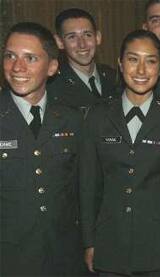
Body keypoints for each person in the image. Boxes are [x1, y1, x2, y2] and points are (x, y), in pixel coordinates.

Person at [80, 29, 160, 276]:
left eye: (150, 61)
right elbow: (88, 184)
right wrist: (89, 241)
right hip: (110, 245)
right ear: (120, 64)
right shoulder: (98, 116)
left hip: (159, 248)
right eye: (133, 59)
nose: (141, 70)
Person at [0, 22, 83, 276]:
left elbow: (84, 190)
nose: (17, 67)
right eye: (10, 56)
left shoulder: (72, 119)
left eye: (31, 58)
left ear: (52, 67)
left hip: (64, 257)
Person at [49, 8, 117, 115]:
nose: (82, 44)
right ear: (59, 42)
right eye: (72, 37)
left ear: (97, 37)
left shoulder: (115, 78)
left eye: (87, 35)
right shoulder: (53, 87)